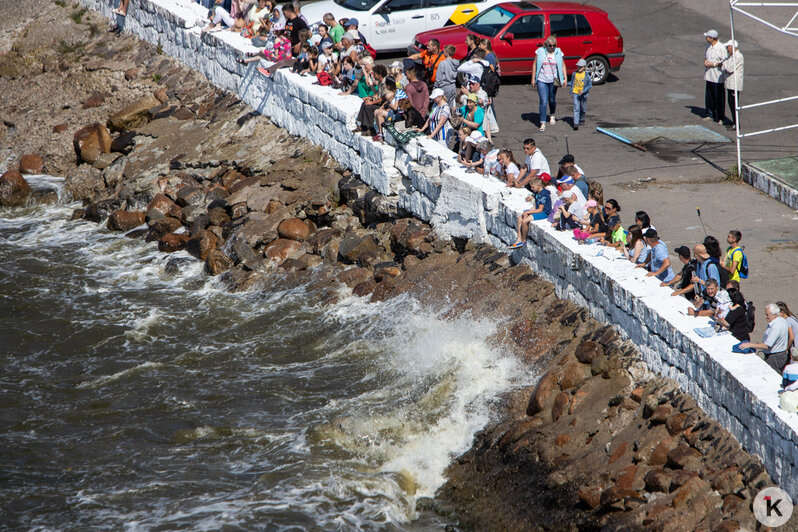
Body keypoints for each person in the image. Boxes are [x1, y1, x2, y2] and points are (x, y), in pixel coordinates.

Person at [739, 303, 791, 373]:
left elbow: (767, 345)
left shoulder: (776, 326)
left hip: (774, 357)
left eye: (767, 315)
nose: (765, 316)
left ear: (775, 315)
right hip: (779, 354)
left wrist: (750, 344)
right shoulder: (782, 321)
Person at [533, 36, 566, 132]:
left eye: (554, 45)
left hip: (553, 79)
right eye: (550, 45)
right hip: (541, 79)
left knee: (551, 99)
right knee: (543, 101)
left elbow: (563, 65)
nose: (552, 47)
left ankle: (552, 114)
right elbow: (535, 64)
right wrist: (533, 78)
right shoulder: (540, 51)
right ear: (546, 45)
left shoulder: (558, 52)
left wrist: (564, 78)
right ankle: (542, 122)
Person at [511, 177, 552, 248]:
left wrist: (528, 212)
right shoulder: (537, 192)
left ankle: (523, 241)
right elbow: (535, 206)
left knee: (524, 221)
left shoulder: (543, 194)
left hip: (544, 213)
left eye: (533, 187)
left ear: (539, 186)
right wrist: (528, 212)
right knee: (520, 218)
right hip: (539, 210)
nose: (532, 189)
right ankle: (518, 239)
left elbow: (540, 210)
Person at [703, 29, 728, 125]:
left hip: (718, 78)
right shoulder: (708, 47)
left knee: (719, 98)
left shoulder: (721, 48)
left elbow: (724, 62)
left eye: (708, 37)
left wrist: (712, 64)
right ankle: (710, 113)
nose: (706, 38)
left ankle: (720, 116)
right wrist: (706, 62)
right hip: (709, 76)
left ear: (712, 38)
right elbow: (706, 57)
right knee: (709, 96)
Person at [721, 40, 744, 130]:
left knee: (734, 104)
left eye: (728, 47)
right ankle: (734, 122)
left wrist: (724, 65)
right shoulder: (731, 56)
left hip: (735, 85)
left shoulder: (738, 56)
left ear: (732, 47)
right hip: (730, 84)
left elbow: (729, 68)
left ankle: (737, 124)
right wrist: (724, 65)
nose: (727, 49)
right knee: (731, 104)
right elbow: (724, 64)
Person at [568, 58, 591, 130]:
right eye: (578, 66)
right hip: (575, 92)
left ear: (584, 67)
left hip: (583, 94)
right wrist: (566, 83)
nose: (579, 68)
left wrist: (583, 91)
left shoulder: (586, 75)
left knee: (583, 108)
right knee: (576, 108)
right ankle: (576, 124)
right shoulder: (575, 73)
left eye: (581, 67)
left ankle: (582, 119)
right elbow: (572, 82)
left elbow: (589, 85)